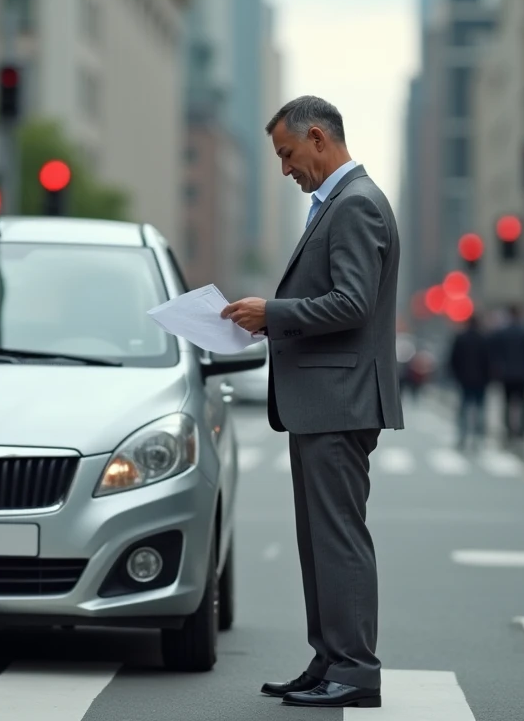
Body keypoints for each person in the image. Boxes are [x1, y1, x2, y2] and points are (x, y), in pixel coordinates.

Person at [222, 95, 401, 709]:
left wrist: (271, 314)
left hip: (339, 402)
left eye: (287, 153)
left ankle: (354, 668)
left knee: (338, 537)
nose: (285, 169)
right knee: (320, 539)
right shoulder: (342, 203)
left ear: (318, 138)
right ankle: (330, 660)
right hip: (326, 402)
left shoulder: (354, 206)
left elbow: (354, 303)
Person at [489, 305, 524, 443]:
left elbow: (495, 353)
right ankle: (522, 431)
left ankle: (508, 430)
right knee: (523, 404)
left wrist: (497, 368)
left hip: (506, 374)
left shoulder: (502, 333)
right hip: (523, 374)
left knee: (506, 403)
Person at [448, 314, 490, 451]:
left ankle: (462, 437)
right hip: (481, 381)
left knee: (464, 410)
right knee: (480, 410)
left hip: (464, 380)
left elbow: (453, 360)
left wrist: (457, 377)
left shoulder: (461, 338)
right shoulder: (484, 339)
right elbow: (489, 362)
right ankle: (478, 440)